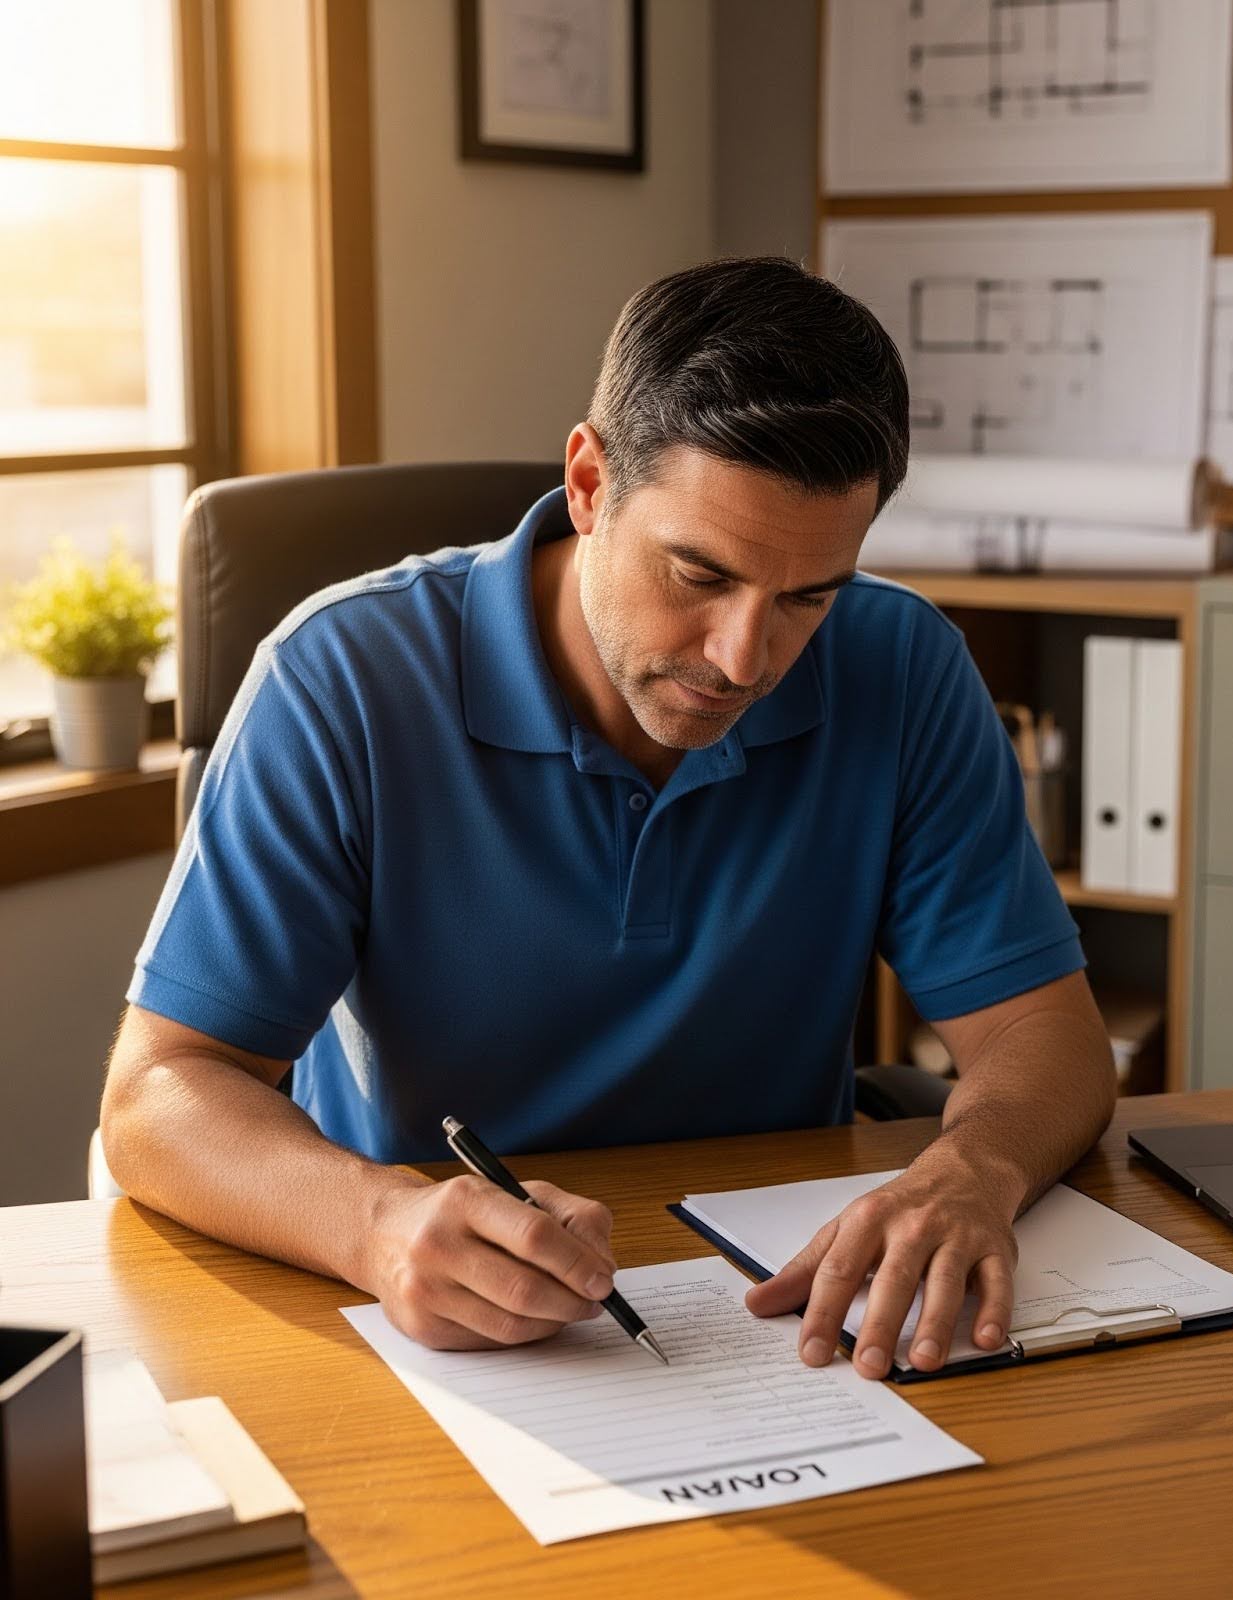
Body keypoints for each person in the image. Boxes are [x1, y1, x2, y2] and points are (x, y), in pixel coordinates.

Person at [101, 256, 1116, 1380]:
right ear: (589, 484)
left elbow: (1045, 1036)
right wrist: (377, 1223)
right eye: (698, 574)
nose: (743, 659)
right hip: (436, 1323)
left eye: (806, 598)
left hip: (775, 1324)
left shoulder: (900, 664)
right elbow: (157, 1094)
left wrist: (971, 1166)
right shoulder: (340, 677)